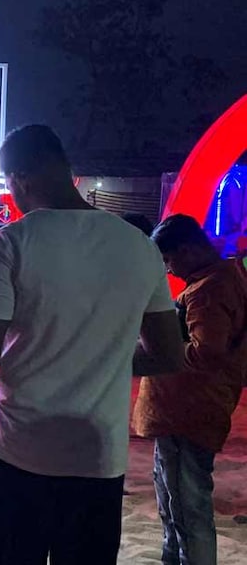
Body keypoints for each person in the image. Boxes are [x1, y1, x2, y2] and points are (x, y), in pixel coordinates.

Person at [0, 125, 185, 564]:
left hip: (18, 457)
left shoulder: (9, 243)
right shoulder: (138, 246)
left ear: (19, 177)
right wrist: (106, 355)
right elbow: (169, 354)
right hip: (97, 462)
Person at [134, 215, 247, 565]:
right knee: (175, 503)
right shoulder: (219, 279)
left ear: (188, 251)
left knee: (187, 507)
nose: (169, 270)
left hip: (188, 412)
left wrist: (160, 350)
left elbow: (206, 351)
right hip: (185, 411)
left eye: (169, 260)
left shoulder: (210, 290)